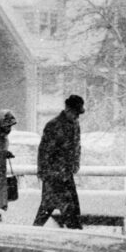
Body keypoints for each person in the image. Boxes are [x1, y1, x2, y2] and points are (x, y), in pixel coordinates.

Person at [33, 94, 85, 229]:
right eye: (75, 113)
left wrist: (75, 163)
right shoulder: (53, 125)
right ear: (68, 109)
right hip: (53, 175)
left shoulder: (74, 124)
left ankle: (36, 230)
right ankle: (75, 232)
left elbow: (77, 146)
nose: (77, 117)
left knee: (59, 207)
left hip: (65, 174)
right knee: (56, 207)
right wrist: (45, 172)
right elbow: (44, 151)